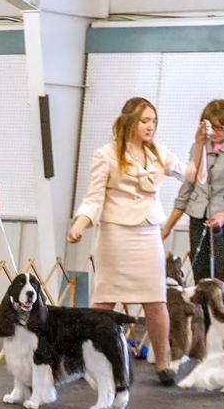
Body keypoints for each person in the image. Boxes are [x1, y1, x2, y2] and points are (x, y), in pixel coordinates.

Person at [68, 97, 207, 386]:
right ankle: (86, 360)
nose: (151, 126)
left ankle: (164, 363)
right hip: (115, 233)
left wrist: (199, 144)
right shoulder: (105, 154)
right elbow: (94, 197)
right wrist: (80, 224)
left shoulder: (158, 151)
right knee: (104, 302)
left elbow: (194, 176)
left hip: (148, 233)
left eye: (154, 121)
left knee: (156, 301)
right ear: (130, 121)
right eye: (145, 120)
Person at [161, 99, 224, 297]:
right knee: (201, 279)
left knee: (222, 278)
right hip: (198, 219)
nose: (213, 133)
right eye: (209, 127)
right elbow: (187, 188)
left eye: (219, 128)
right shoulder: (198, 146)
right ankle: (204, 327)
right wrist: (167, 227)